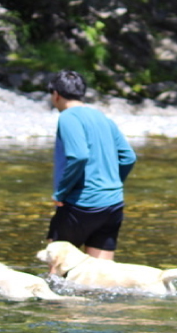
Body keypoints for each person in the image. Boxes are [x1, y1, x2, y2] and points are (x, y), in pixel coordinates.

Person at [45, 70, 136, 261]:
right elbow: (128, 157)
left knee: (58, 270)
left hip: (81, 204)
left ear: (56, 95)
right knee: (102, 275)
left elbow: (78, 156)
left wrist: (60, 193)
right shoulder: (103, 118)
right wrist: (112, 183)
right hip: (113, 204)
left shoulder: (68, 117)